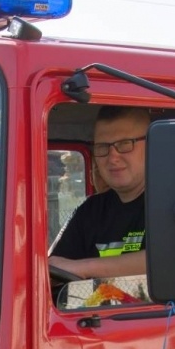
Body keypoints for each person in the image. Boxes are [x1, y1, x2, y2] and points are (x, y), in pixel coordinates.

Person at [48, 105, 150, 281]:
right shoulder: (90, 211)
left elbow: (173, 259)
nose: (112, 157)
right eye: (103, 147)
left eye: (125, 144)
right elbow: (57, 268)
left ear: (153, 144)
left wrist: (83, 269)